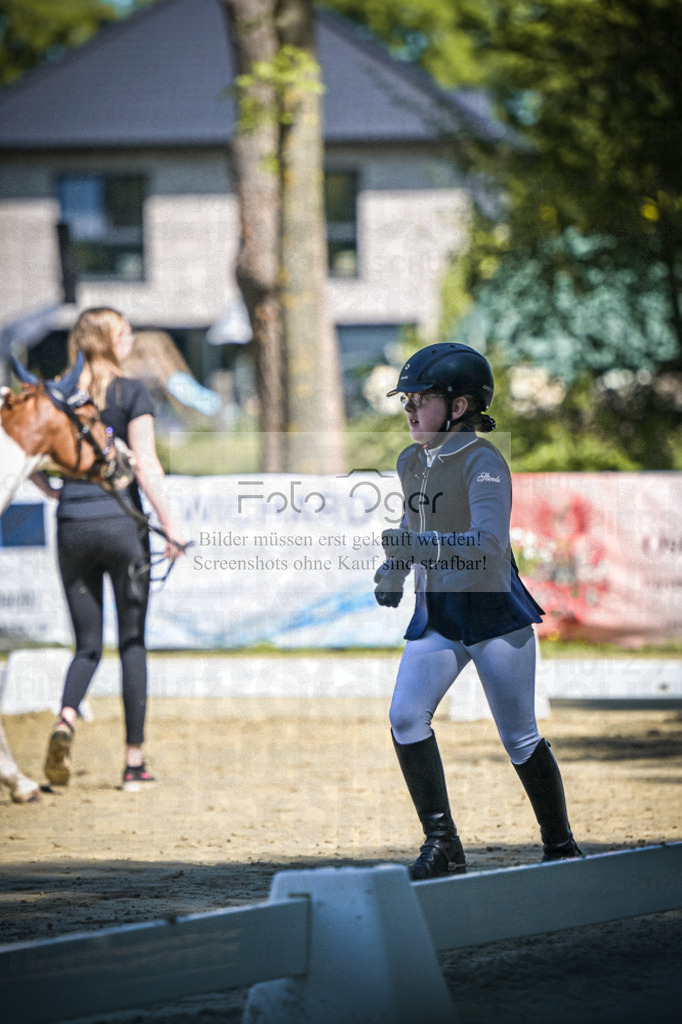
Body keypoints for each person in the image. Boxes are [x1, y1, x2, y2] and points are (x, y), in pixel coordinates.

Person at [374, 342, 581, 879]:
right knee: (404, 717)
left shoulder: (484, 461)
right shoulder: (411, 461)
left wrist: (419, 551)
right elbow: (413, 526)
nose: (409, 409)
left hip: (492, 617)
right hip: (440, 614)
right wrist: (395, 569)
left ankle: (560, 846)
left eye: (420, 399)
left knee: (519, 737)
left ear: (459, 406)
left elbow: (488, 545)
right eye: (407, 401)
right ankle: (443, 844)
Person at [35, 307, 185, 792]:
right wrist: (171, 524)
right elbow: (146, 466)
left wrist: (51, 489)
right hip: (122, 525)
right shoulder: (130, 392)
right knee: (133, 643)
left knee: (87, 645)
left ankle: (65, 718)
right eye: (124, 332)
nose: (131, 339)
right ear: (106, 340)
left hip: (72, 525)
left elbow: (27, 450)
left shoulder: (59, 393)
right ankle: (133, 764)